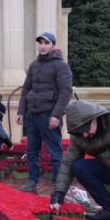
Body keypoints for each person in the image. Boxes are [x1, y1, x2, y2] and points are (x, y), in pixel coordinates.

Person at [16, 31, 73, 192]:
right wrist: (21, 111)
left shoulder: (61, 66)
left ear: (53, 46)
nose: (42, 46)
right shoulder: (34, 65)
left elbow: (65, 92)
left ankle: (58, 185)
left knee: (55, 153)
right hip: (32, 116)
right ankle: (32, 181)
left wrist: (56, 115)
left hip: (49, 116)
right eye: (40, 43)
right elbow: (26, 89)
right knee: (31, 151)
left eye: (46, 43)